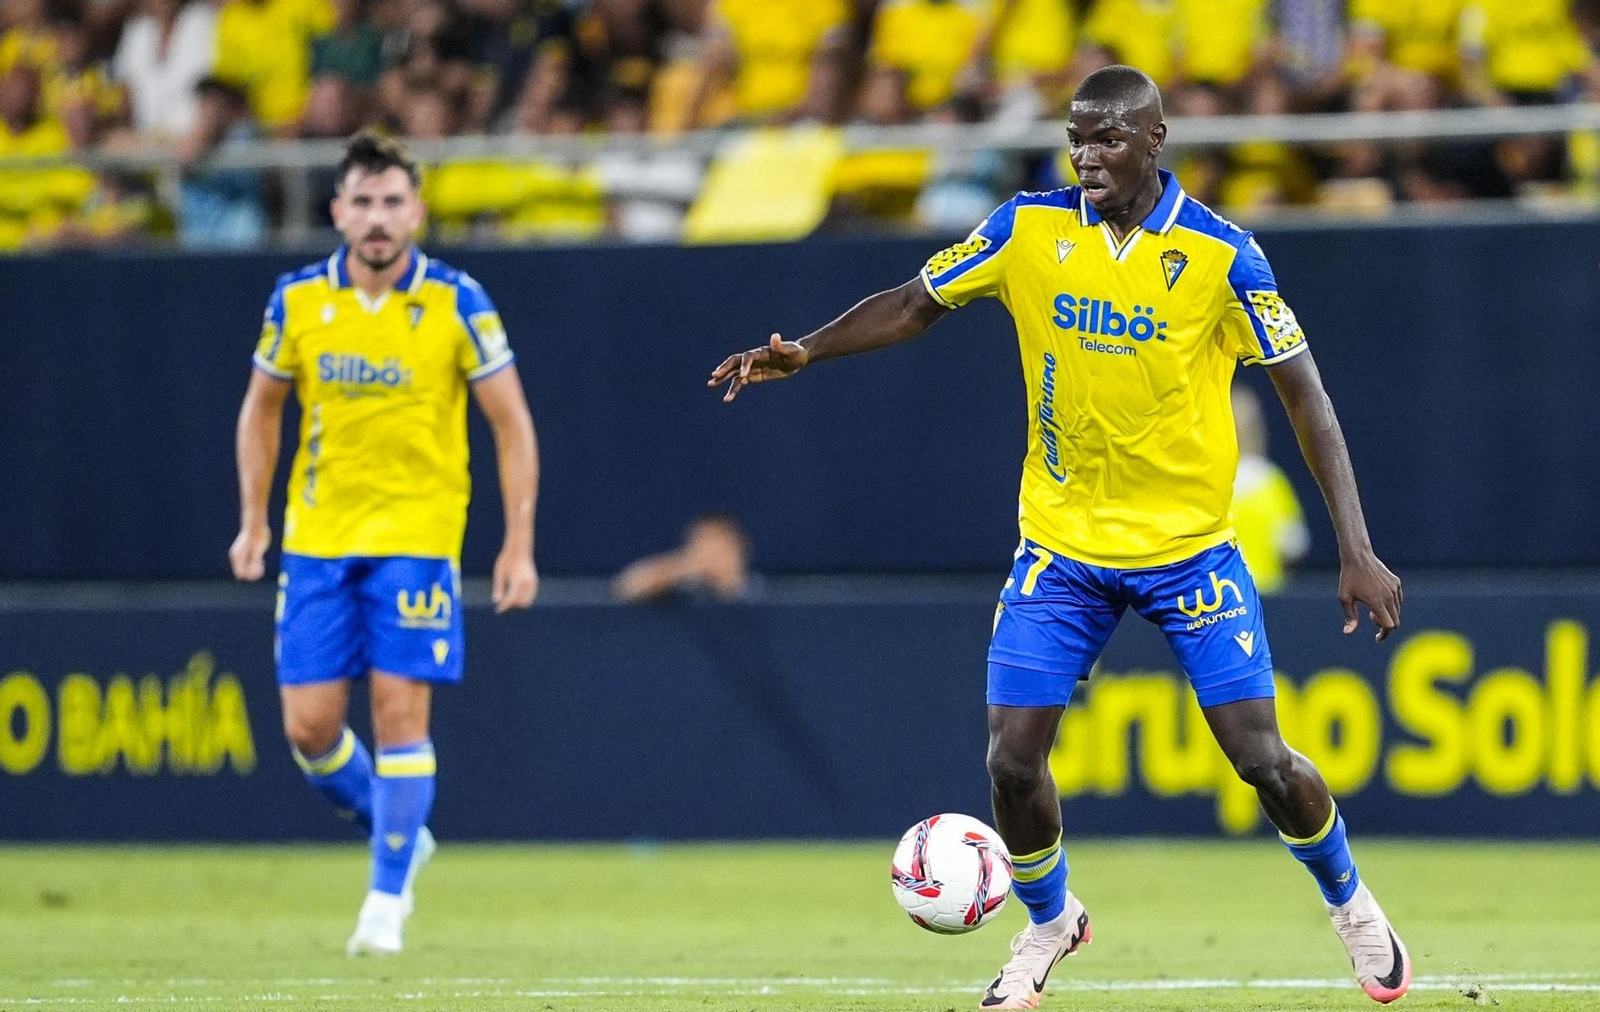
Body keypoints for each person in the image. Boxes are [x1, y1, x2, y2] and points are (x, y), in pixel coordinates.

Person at [709, 65, 1409, 1010]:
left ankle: (1351, 903)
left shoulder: (1223, 256)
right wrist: (808, 348)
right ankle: (1050, 921)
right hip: (1062, 548)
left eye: (1109, 138)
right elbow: (914, 302)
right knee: (1010, 758)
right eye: (1077, 139)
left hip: (1189, 552)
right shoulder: (1025, 229)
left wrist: (1356, 548)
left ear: (1155, 141)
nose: (1087, 157)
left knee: (1262, 761)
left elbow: (1306, 398)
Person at [229, 131, 540, 956]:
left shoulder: (458, 302)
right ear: (337, 211)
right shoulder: (297, 301)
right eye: (362, 202)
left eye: (392, 201)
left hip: (418, 536)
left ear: (417, 212)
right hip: (318, 539)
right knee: (308, 728)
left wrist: (517, 544)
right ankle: (400, 832)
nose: (377, 217)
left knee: (399, 710)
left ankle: (384, 900)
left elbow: (511, 424)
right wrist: (255, 520)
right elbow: (262, 409)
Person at [1231, 382, 1309, 593]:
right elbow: (1293, 545)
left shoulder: (1204, 484)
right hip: (1265, 594)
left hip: (1224, 596)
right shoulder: (1270, 482)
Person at [612, 512, 756, 603]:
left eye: (720, 543)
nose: (711, 553)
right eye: (702, 541)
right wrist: (679, 569)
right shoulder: (682, 590)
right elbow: (625, 588)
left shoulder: (757, 593)